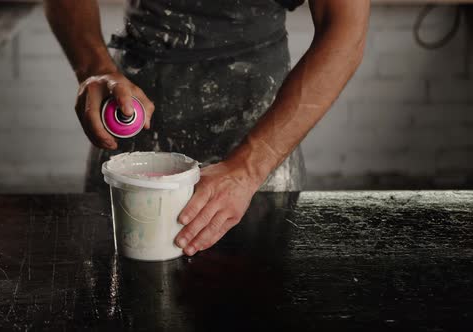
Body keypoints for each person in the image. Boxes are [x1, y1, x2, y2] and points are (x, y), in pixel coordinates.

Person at [45, 0, 369, 256]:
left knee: (254, 298)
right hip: (132, 109)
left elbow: (345, 29)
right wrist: (95, 68)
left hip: (257, 131)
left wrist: (250, 166)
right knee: (121, 290)